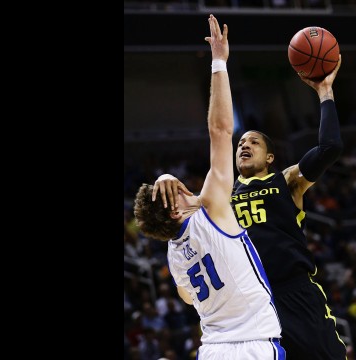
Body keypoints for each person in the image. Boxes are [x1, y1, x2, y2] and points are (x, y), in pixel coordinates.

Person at [153, 48, 347, 360]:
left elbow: (330, 147)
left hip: (295, 292)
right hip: (250, 307)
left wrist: (325, 91)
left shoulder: (286, 181)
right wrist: (163, 175)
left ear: (270, 157)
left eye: (253, 142)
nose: (244, 144)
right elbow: (172, 209)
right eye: (241, 142)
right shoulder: (217, 198)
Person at [133, 15, 285, 360]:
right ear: (175, 209)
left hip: (212, 349)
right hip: (253, 346)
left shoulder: (173, 256)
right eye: (179, 189)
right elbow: (219, 131)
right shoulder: (213, 209)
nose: (185, 186)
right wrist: (219, 61)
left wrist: (165, 187)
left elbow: (187, 297)